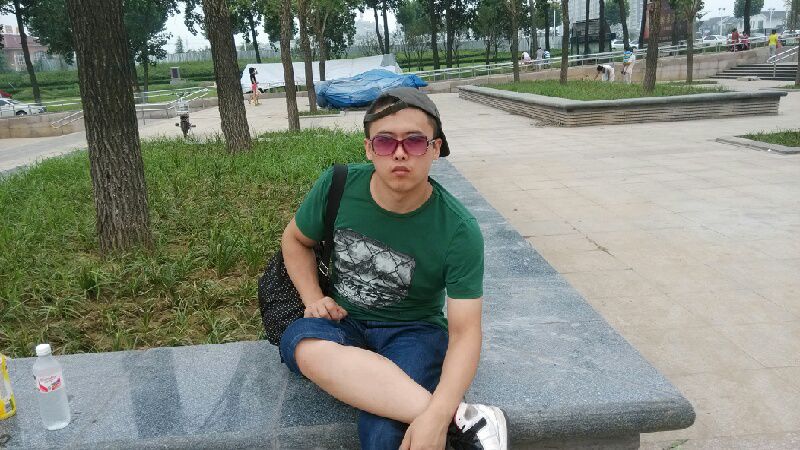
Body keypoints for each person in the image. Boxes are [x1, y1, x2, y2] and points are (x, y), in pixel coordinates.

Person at [278, 87, 508, 450]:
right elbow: (295, 240)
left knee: (386, 431)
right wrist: (312, 298)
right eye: (385, 142)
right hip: (344, 320)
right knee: (301, 343)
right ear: (369, 149)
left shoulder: (458, 229)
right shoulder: (338, 185)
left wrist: (433, 416)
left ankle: (448, 418)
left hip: (413, 331)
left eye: (414, 141)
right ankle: (464, 421)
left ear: (435, 148)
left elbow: (465, 333)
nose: (399, 153)